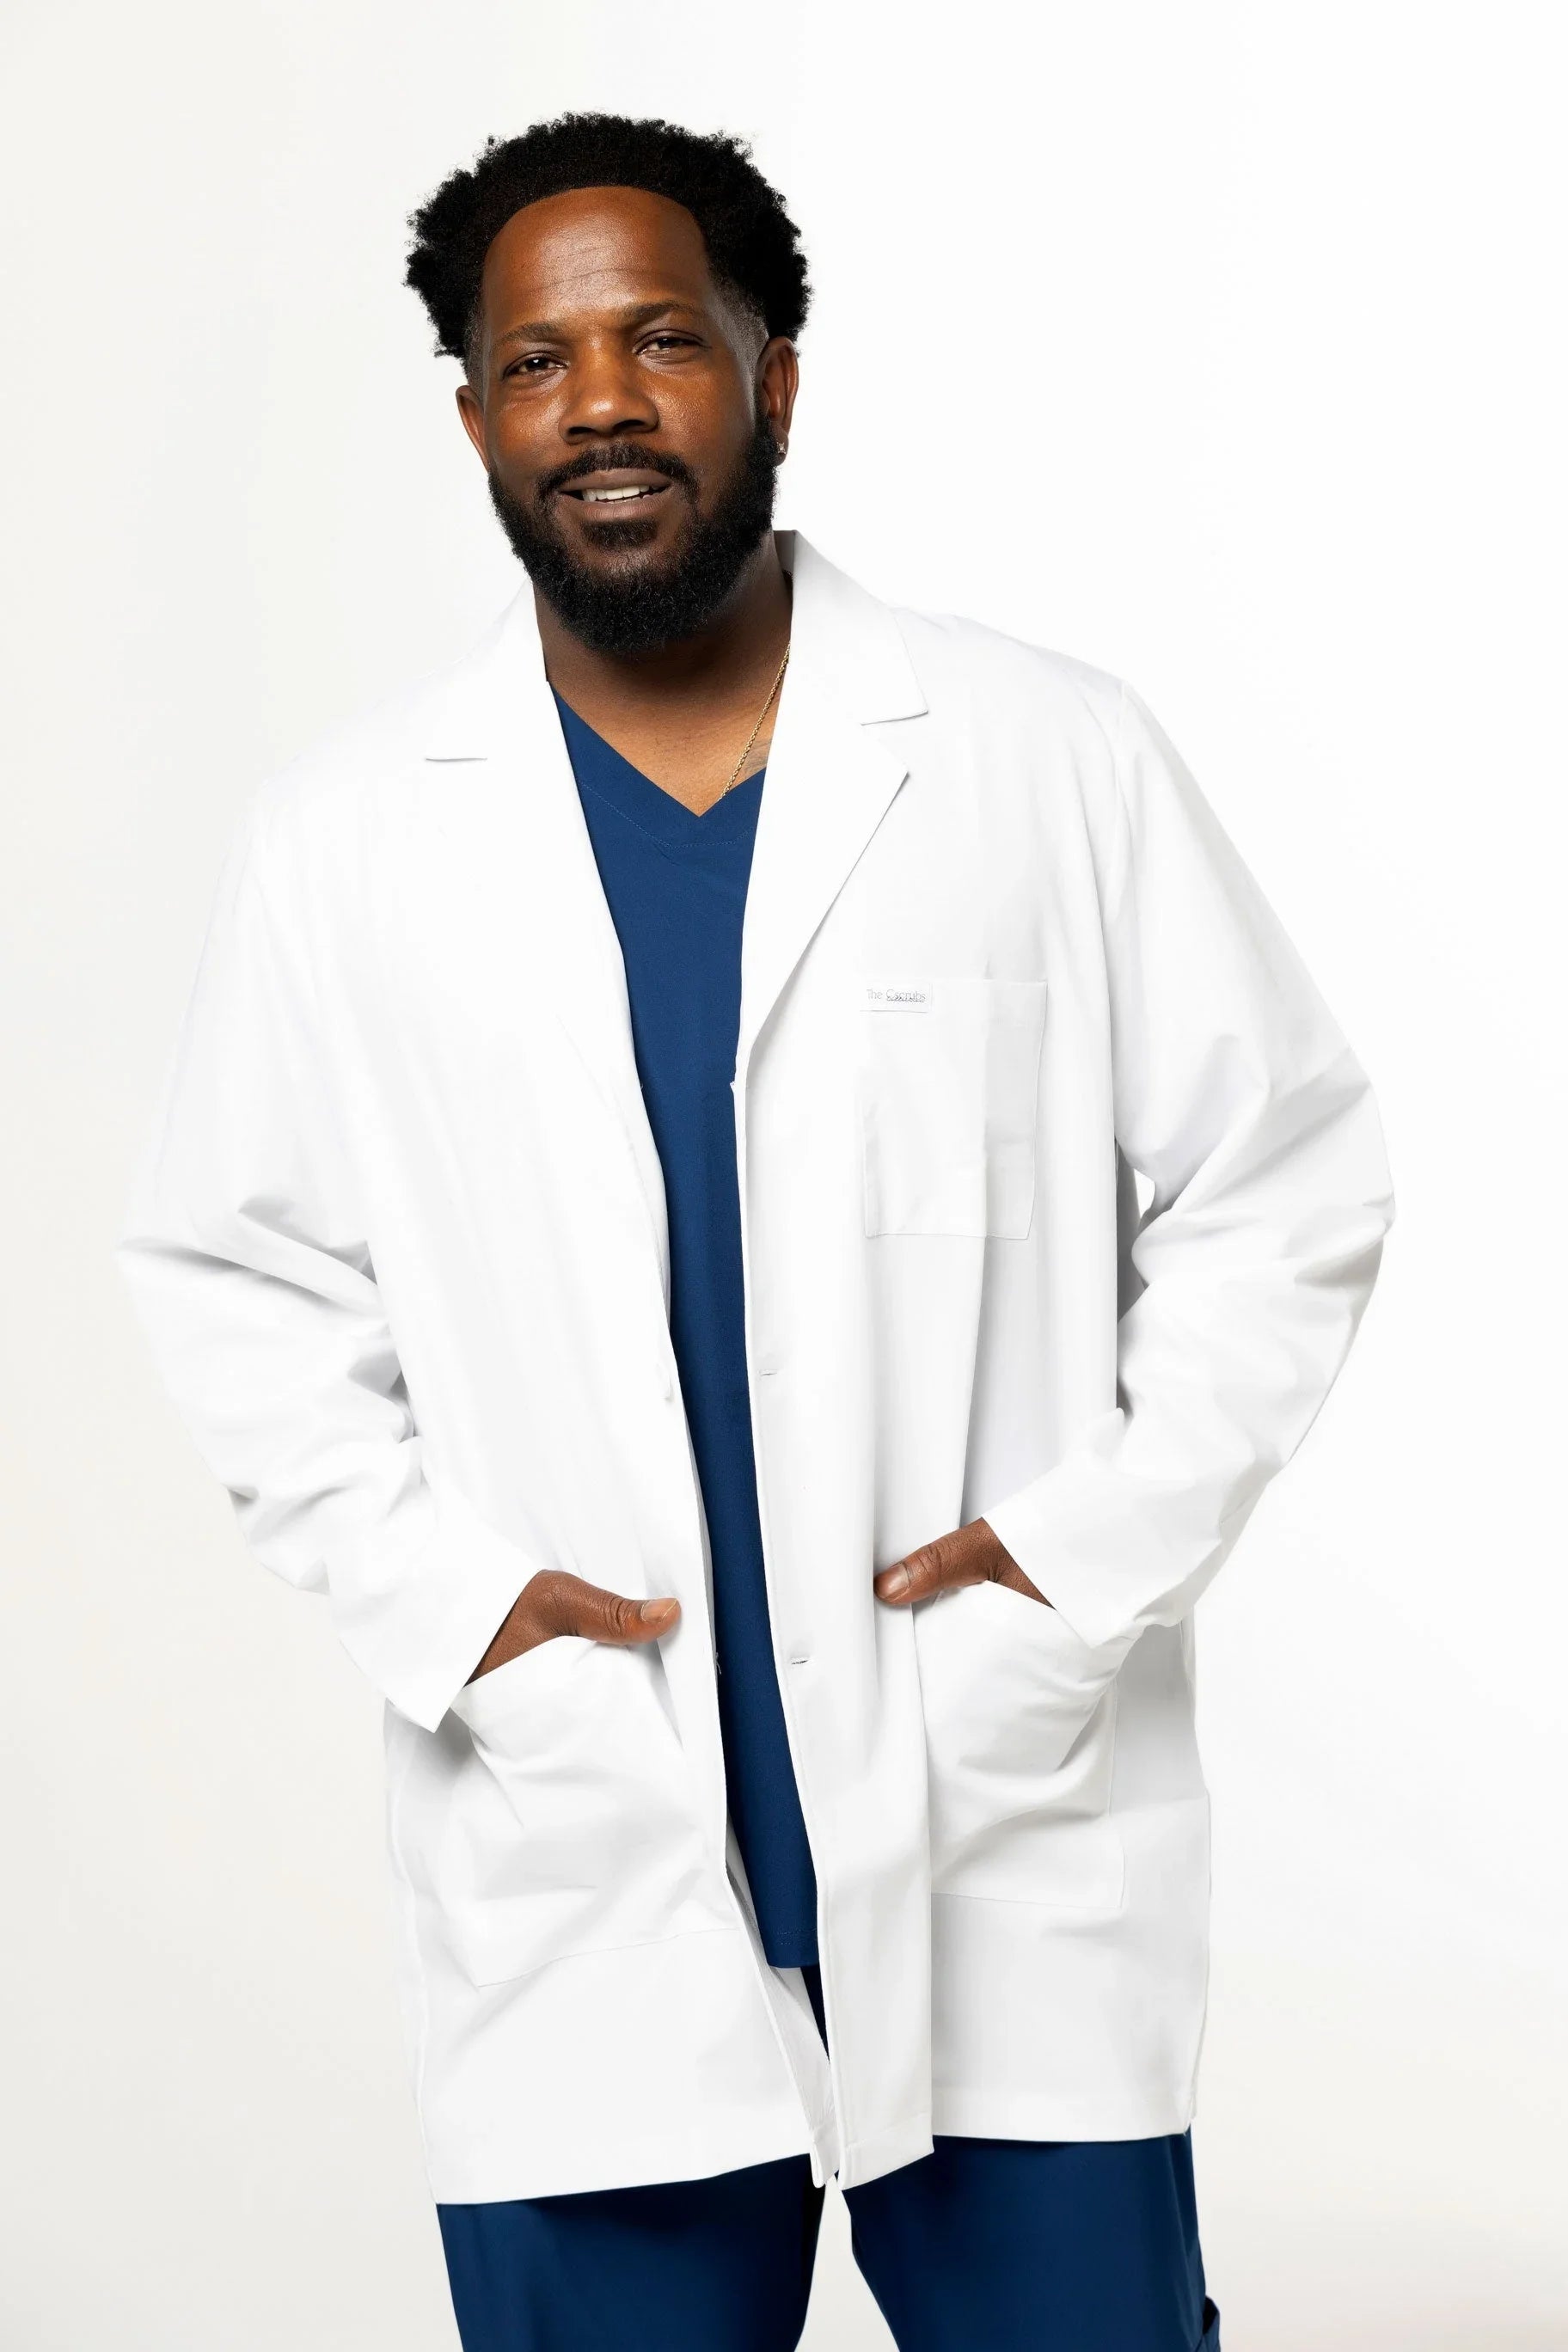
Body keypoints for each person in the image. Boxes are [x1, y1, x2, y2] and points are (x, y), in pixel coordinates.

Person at [115, 109, 1396, 2352]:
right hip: (582, 1852)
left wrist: (1082, 1557)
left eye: (660, 341)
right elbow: (238, 1270)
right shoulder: (347, 846)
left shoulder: (1040, 758)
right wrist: (461, 1612)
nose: (601, 400)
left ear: (772, 374)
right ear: (476, 421)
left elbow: (1281, 1181)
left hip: (1011, 1822)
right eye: (537, 360)